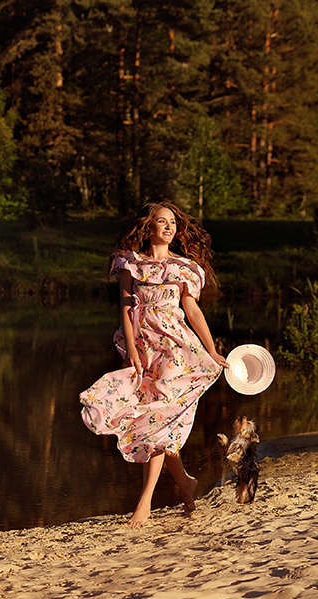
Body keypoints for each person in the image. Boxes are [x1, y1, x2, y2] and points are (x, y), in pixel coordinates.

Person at [80, 202, 227, 527]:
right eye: (161, 222)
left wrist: (212, 351)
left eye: (172, 222)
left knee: (159, 420)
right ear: (148, 228)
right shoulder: (130, 263)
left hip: (176, 352)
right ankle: (186, 482)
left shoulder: (183, 267)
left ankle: (144, 501)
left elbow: (193, 313)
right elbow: (125, 309)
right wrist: (131, 349)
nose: (169, 227)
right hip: (143, 351)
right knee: (152, 422)